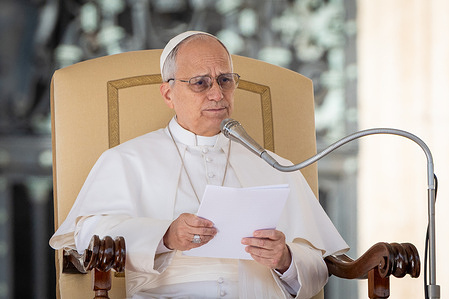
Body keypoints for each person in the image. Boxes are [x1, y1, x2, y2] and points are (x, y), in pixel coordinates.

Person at [50, 31, 348, 299]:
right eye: (200, 83)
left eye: (225, 80)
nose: (217, 94)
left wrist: (285, 259)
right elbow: (88, 237)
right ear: (168, 94)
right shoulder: (127, 160)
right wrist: (165, 235)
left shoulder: (275, 165)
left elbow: (319, 265)